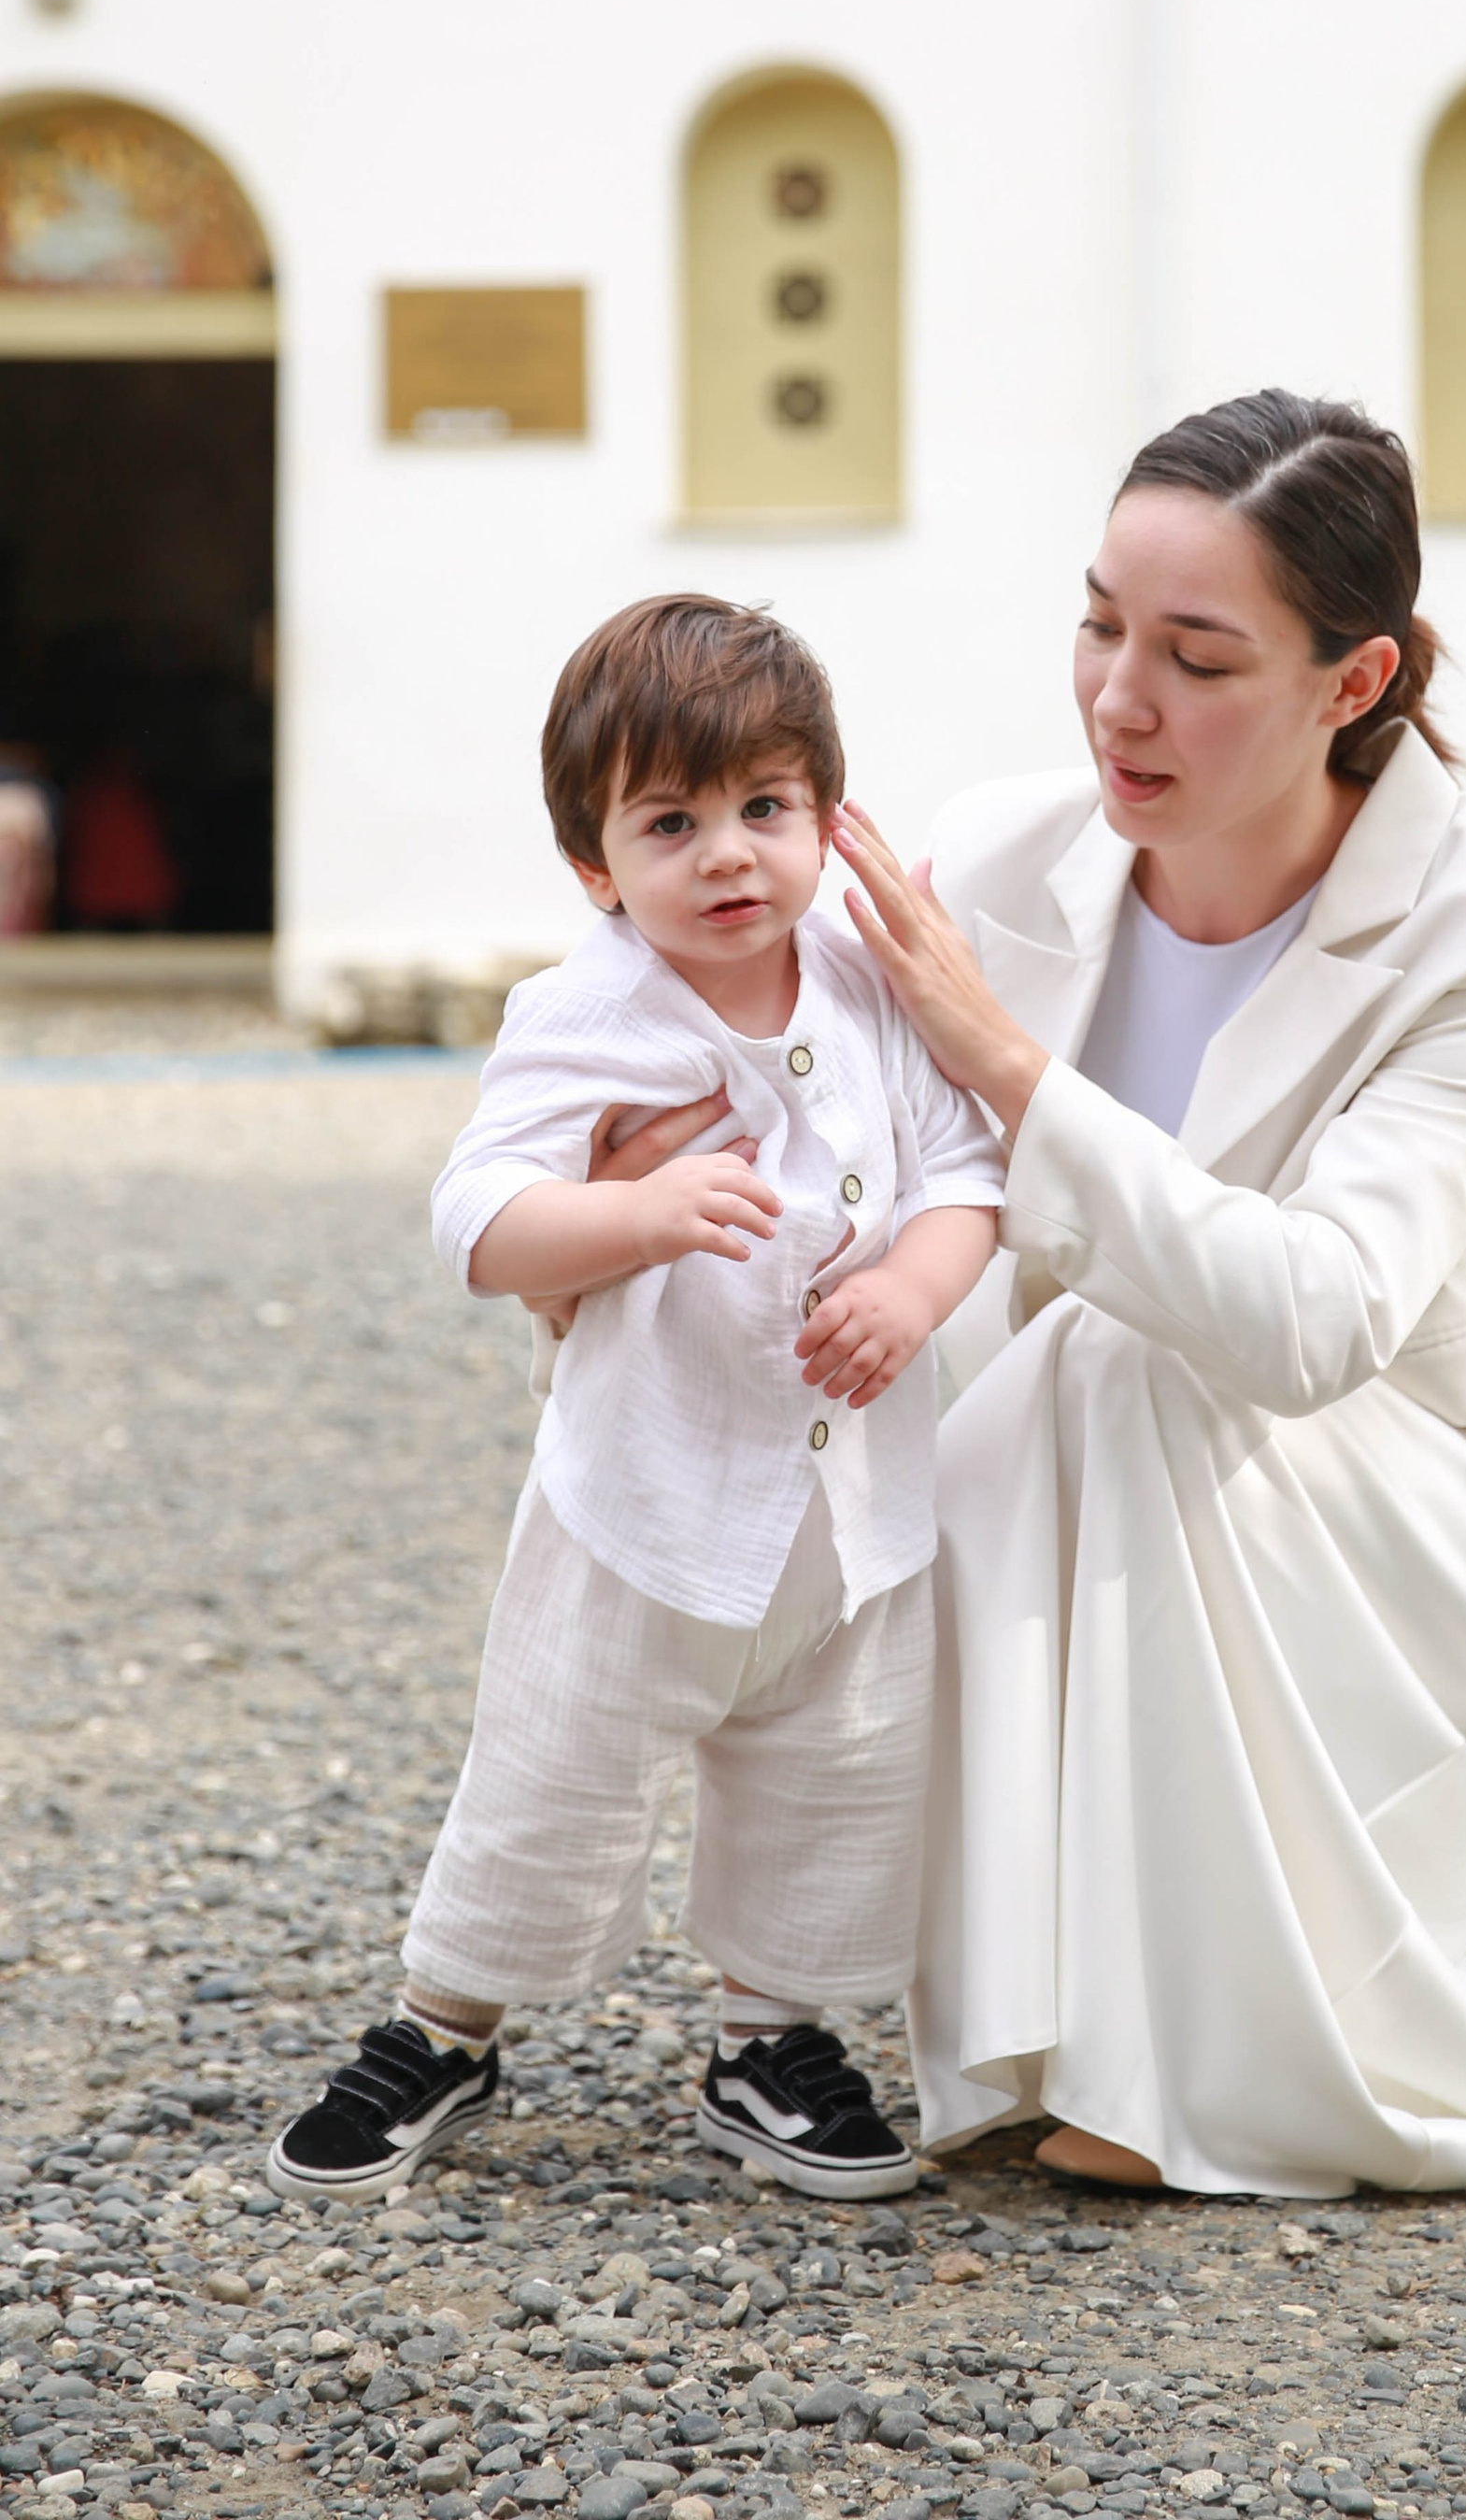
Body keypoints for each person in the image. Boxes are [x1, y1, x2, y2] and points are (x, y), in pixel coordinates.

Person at [834, 389, 1466, 2197]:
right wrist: (617, 1210)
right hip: (1172, 1463)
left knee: (1117, 1354)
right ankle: (1052, 2021)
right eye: (1098, 623)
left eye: (1198, 655)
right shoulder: (1000, 863)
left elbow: (1315, 1328)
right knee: (1062, 1383)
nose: (1119, 698)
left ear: (1352, 680)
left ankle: (1187, 2072)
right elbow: (820, 1144)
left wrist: (1013, 1075)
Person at [263, 595, 1003, 2207]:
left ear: (824, 812)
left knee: (841, 1772)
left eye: (765, 808)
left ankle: (771, 2040)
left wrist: (912, 1291)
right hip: (646, 1497)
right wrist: (639, 1217)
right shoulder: (591, 1010)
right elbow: (481, 1220)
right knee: (557, 1766)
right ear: (597, 865)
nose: (728, 855)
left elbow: (965, 1174)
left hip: (852, 1511)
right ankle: (444, 2023)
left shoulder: (867, 984)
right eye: (672, 824)